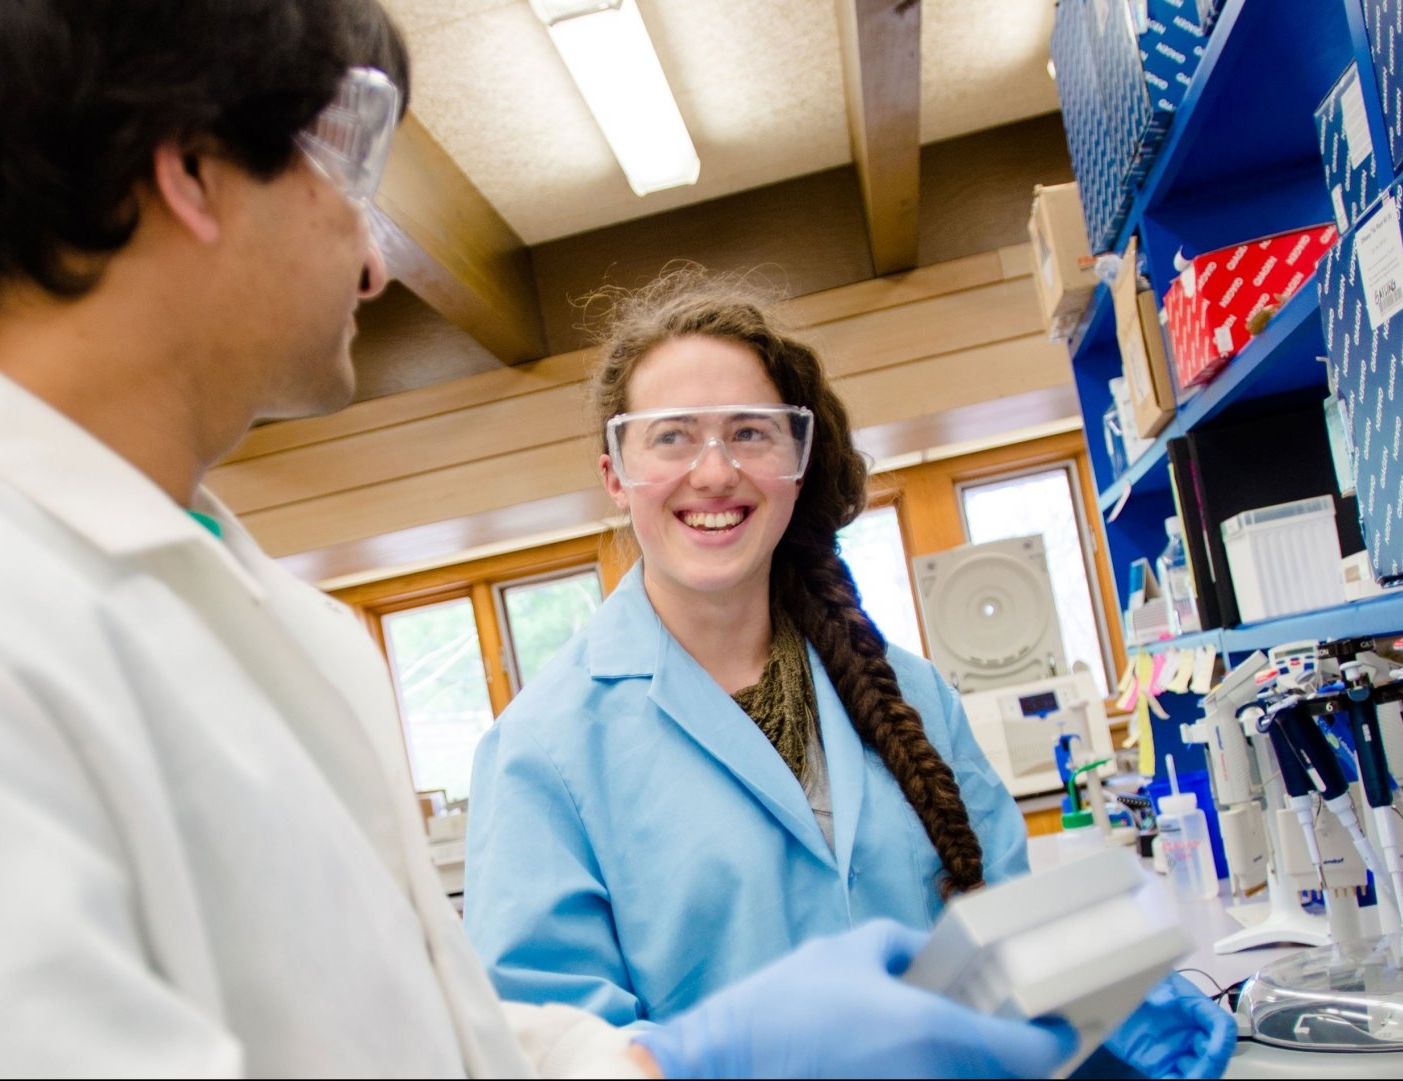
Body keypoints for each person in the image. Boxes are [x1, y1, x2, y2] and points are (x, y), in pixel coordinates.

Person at [0, 2, 1080, 1076]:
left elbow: (412, 1041)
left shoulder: (222, 609)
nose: (374, 251)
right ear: (188, 168)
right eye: (342, 163)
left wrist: (667, 1064)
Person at [460, 272, 1237, 1079]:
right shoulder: (540, 752)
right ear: (616, 475)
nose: (716, 470)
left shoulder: (911, 693)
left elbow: (1007, 936)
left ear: (796, 462)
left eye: (752, 432)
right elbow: (551, 1053)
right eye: (672, 436)